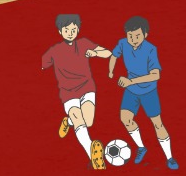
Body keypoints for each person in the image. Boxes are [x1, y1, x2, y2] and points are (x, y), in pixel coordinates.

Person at [105, 16, 178, 170]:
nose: (133, 39)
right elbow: (114, 55)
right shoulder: (123, 43)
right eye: (130, 36)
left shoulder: (151, 49)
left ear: (145, 34)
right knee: (125, 119)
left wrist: (130, 81)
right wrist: (111, 71)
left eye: (137, 35)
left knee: (157, 124)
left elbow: (156, 75)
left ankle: (169, 157)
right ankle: (141, 147)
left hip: (148, 91)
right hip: (131, 91)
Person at [41, 14, 110, 171]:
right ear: (60, 31)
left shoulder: (84, 43)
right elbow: (40, 66)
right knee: (80, 120)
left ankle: (69, 121)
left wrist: (95, 53)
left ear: (78, 29)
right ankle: (94, 157)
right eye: (66, 30)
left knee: (88, 121)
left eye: (73, 29)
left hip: (87, 89)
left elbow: (107, 53)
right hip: (68, 94)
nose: (70, 33)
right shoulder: (54, 51)